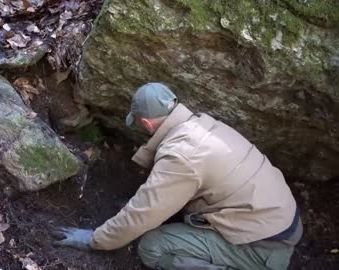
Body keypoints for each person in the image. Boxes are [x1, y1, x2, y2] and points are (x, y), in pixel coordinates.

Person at [52, 83, 302, 270]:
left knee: (152, 247)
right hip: (278, 220)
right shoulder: (205, 125)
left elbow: (143, 214)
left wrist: (95, 240)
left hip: (262, 247)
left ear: (147, 124)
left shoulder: (181, 157)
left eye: (139, 124)